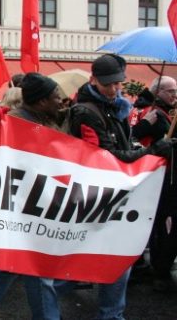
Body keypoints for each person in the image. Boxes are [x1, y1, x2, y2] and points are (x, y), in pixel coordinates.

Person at [64, 53, 173, 320]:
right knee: (82, 258)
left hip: (115, 190)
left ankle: (111, 315)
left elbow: (124, 145)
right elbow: (105, 156)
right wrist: (150, 151)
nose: (114, 88)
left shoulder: (117, 106)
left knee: (116, 257)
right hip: (96, 192)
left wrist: (141, 146)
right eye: (109, 83)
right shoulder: (86, 111)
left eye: (118, 83)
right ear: (94, 80)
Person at [0, 73, 64, 320]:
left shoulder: (43, 118)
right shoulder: (14, 122)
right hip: (20, 209)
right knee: (19, 268)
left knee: (17, 268)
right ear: (41, 101)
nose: (61, 101)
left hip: (35, 206)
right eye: (56, 97)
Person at [130, 76, 177, 292]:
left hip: (163, 174)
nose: (174, 95)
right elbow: (135, 137)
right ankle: (158, 268)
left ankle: (156, 265)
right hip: (160, 175)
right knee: (162, 223)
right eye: (170, 91)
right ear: (158, 92)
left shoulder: (163, 112)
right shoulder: (154, 114)